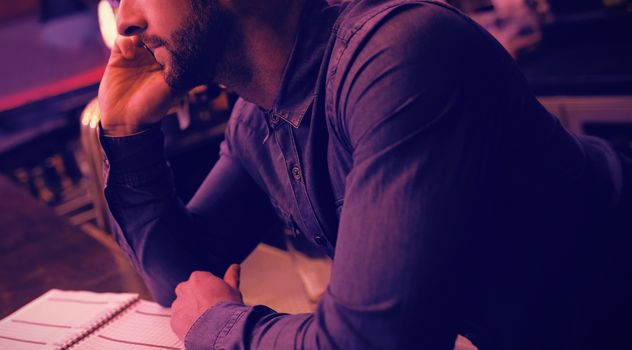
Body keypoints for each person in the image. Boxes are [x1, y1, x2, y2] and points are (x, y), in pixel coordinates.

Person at [97, 0, 632, 348]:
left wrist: (218, 329)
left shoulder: (399, 55)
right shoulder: (259, 118)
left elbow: (376, 341)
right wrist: (123, 132)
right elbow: (184, 284)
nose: (125, 23)